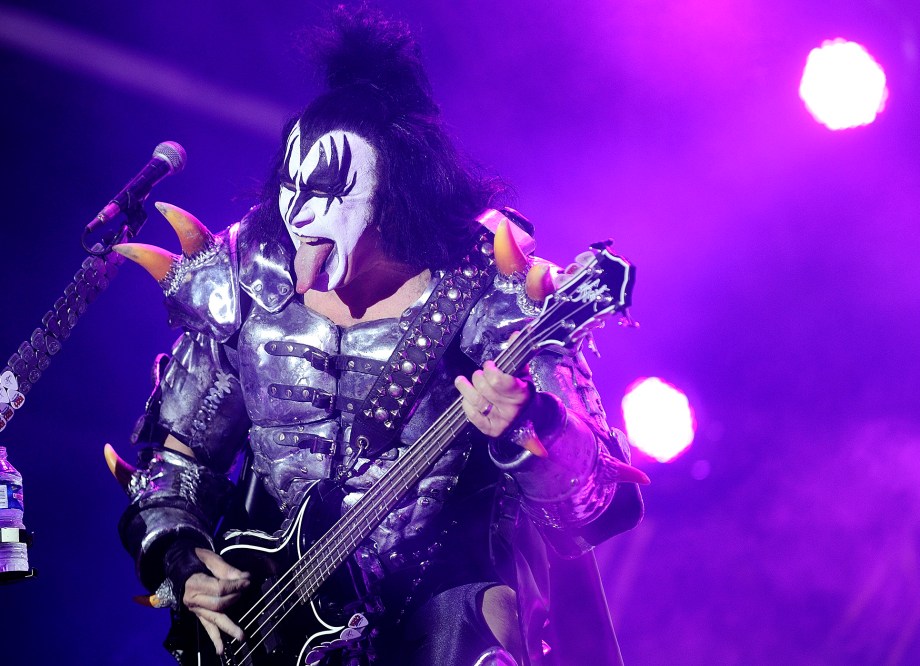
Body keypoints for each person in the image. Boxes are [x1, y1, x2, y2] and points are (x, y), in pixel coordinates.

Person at [108, 6, 644, 665]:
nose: (300, 211)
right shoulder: (246, 279)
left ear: (396, 190)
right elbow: (178, 462)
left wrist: (532, 424)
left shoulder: (493, 288)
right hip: (271, 627)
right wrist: (182, 559)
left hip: (438, 609)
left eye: (330, 188)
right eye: (291, 184)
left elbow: (595, 507)